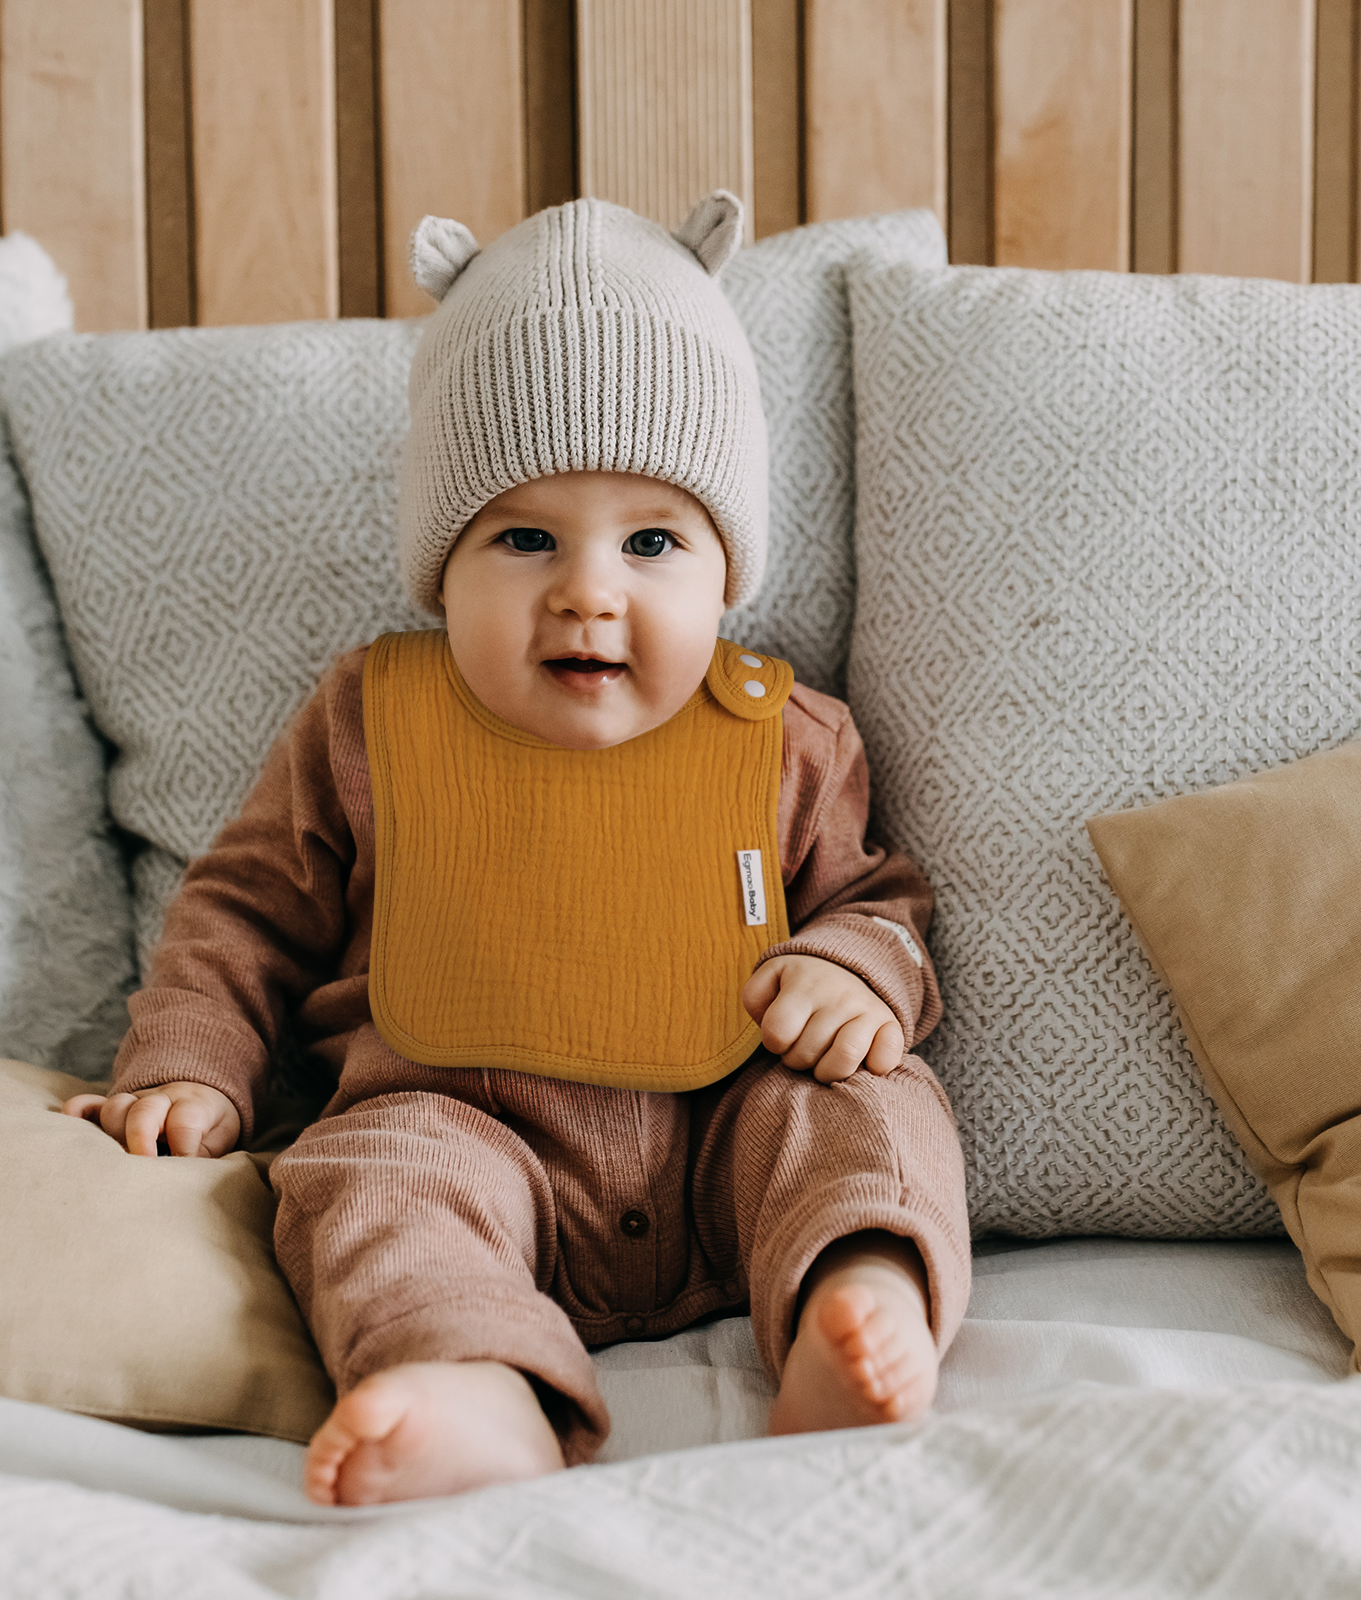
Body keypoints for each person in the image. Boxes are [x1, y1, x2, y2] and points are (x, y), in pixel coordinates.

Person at [64, 191, 970, 1507]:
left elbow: (882, 896)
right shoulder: (367, 723)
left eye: (653, 541)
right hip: (468, 1138)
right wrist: (189, 1063)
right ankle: (470, 1382)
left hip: (726, 1133)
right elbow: (243, 916)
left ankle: (856, 1288)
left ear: (728, 575)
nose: (586, 588)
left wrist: (856, 970)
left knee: (866, 1107)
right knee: (362, 1179)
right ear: (443, 566)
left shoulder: (790, 739)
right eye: (524, 537)